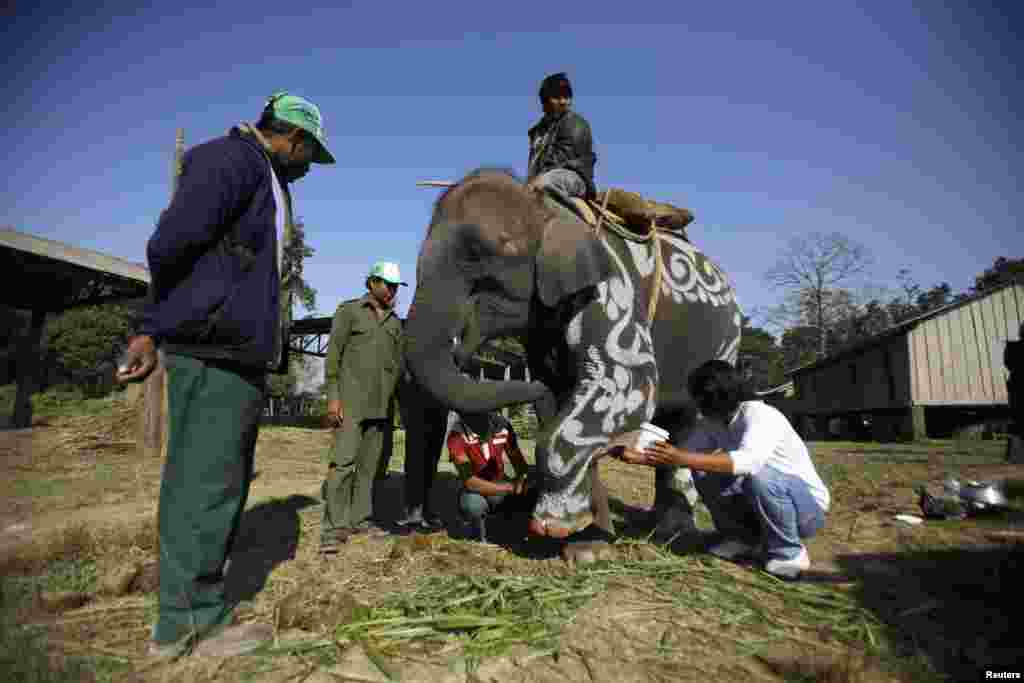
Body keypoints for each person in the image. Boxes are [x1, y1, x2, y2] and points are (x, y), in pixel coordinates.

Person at [115, 91, 336, 657]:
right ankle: (189, 623)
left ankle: (190, 608)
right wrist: (155, 325)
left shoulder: (261, 172)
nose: (310, 167)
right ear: (294, 138)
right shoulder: (230, 161)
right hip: (214, 350)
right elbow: (170, 244)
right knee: (205, 484)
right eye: (311, 154)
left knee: (217, 480)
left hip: (232, 353)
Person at [619, 360, 830, 579]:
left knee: (760, 477)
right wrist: (640, 458)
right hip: (764, 505)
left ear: (716, 396)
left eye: (699, 398)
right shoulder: (714, 422)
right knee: (701, 468)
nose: (695, 404)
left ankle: (789, 554)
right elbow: (685, 455)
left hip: (806, 512)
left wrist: (682, 457)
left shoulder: (760, 415)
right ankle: (743, 539)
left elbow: (749, 462)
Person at [320, 261, 406, 553]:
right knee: (342, 464)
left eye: (396, 287)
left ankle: (360, 519)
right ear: (372, 283)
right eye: (388, 285)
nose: (392, 291)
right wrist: (333, 399)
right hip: (351, 404)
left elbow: (398, 368)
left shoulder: (395, 323)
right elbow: (333, 358)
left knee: (370, 468)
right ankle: (333, 529)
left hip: (381, 407)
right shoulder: (349, 312)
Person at [448, 411, 534, 543]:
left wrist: (522, 481)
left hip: (499, 482)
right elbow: (470, 482)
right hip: (475, 489)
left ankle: (508, 527)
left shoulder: (503, 426)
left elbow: (519, 465)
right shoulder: (457, 434)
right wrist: (509, 488)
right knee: (473, 504)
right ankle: (477, 531)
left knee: (523, 493)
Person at [526, 72, 597, 204]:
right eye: (557, 97)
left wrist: (534, 183)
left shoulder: (575, 123)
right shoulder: (537, 131)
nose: (563, 102)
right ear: (544, 100)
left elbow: (561, 161)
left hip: (573, 178)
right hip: (540, 177)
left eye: (567, 97)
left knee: (544, 183)